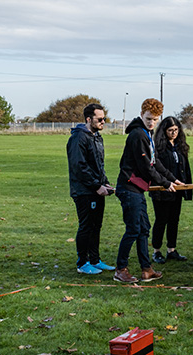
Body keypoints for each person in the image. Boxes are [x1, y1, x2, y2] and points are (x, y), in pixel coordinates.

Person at [114, 98, 183, 283]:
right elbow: (146, 167)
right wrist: (165, 183)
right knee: (133, 229)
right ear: (141, 115)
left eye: (155, 119)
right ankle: (120, 269)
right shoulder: (138, 135)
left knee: (144, 228)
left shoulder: (147, 134)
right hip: (129, 188)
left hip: (138, 189)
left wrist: (171, 178)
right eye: (148, 118)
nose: (151, 122)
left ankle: (146, 269)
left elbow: (155, 162)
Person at [66, 103, 116, 275]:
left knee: (96, 226)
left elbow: (98, 165)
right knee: (86, 226)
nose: (103, 122)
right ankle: (82, 262)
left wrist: (105, 183)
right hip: (84, 191)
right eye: (100, 119)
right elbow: (79, 167)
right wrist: (96, 186)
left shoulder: (96, 137)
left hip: (97, 189)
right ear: (89, 119)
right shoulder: (78, 138)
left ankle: (95, 259)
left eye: (104, 119)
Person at [148, 116, 192, 264]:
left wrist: (185, 186)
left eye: (176, 130)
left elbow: (185, 168)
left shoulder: (180, 146)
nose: (173, 133)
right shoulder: (158, 147)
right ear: (164, 131)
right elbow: (156, 168)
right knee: (161, 220)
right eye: (170, 130)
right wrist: (166, 183)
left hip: (177, 190)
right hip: (162, 190)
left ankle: (171, 250)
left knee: (174, 220)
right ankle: (157, 251)